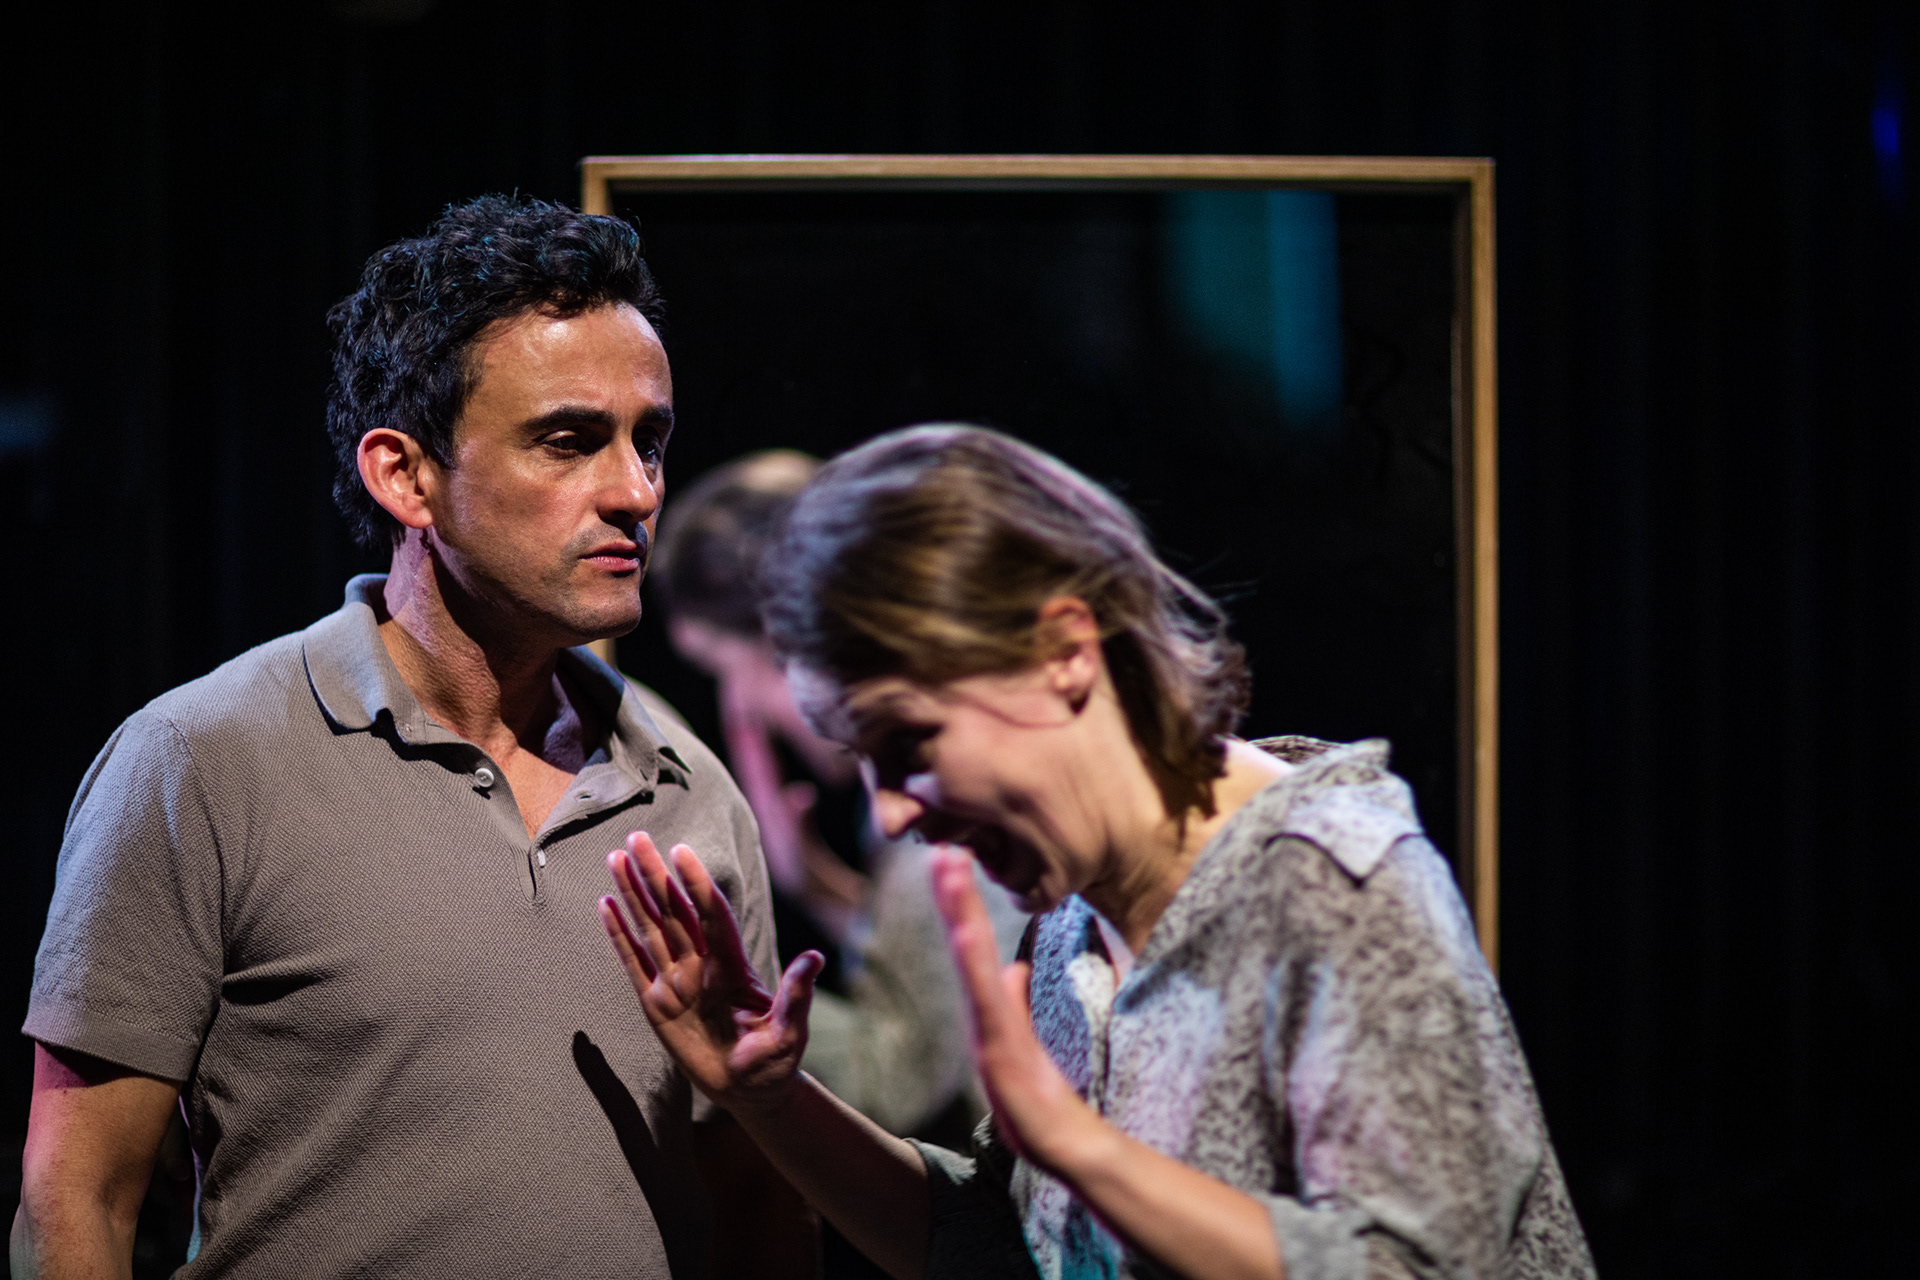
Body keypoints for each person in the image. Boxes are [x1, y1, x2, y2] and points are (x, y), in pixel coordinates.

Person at [599, 425, 1597, 1280]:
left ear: (1067, 650)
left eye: (908, 743)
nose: (892, 814)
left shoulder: (1333, 882)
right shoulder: (1070, 921)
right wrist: (770, 1098)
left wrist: (1083, 1147)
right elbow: (1002, 1246)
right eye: (862, 760)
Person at [14, 196, 795, 1279]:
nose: (635, 491)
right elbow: (77, 1199)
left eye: (649, 442)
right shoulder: (200, 761)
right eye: (570, 441)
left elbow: (755, 1189)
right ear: (406, 475)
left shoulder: (688, 788)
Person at [651, 450, 1028, 1142]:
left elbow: (917, 1088)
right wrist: (818, 886)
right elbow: (928, 982)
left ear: (785, 638)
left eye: (724, 671)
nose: (737, 708)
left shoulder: (944, 801)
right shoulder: (907, 795)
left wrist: (719, 998)